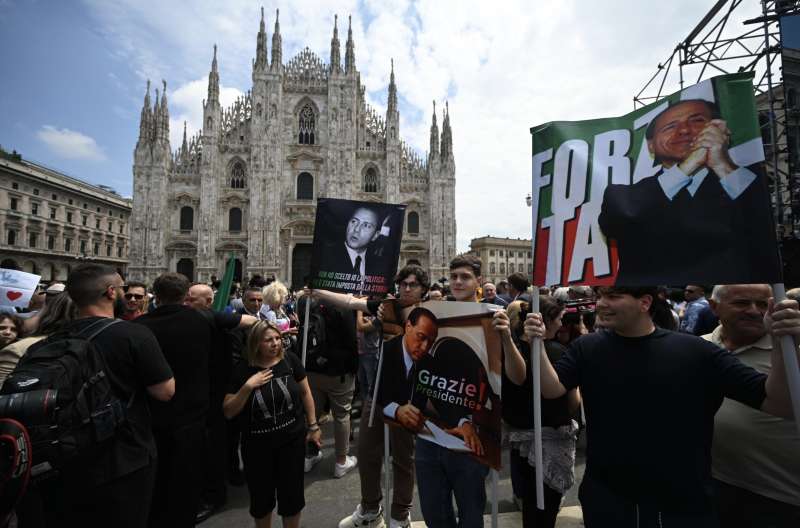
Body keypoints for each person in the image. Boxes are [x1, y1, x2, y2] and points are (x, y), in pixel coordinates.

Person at [525, 286, 800, 527]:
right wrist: (536, 344)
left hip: (681, 505)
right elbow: (552, 389)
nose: (601, 304)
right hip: (608, 500)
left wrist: (781, 343)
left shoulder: (697, 352)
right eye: (600, 296)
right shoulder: (586, 347)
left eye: (613, 296)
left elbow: (777, 402)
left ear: (645, 303)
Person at [598, 99, 781, 285]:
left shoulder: (743, 179)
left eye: (697, 120)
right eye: (670, 127)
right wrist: (687, 167)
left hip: (733, 299)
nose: (684, 130)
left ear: (721, 130)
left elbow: (762, 222)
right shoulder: (623, 196)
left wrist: (721, 164)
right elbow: (615, 224)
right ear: (650, 146)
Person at [48, 263, 175, 528]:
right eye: (122, 289)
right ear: (110, 293)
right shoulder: (134, 334)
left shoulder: (50, 338)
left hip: (65, 454)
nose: (126, 295)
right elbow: (164, 391)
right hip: (122, 454)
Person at [133, 273, 257, 528]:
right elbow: (248, 321)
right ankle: (203, 500)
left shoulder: (139, 326)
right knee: (195, 461)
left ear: (154, 294)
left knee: (164, 463)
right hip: (199, 404)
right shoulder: (207, 318)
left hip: (156, 407)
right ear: (186, 296)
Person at [328, 264, 429, 528]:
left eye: (413, 284)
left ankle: (400, 515)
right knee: (367, 452)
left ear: (423, 289)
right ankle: (371, 510)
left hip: (409, 397)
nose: (407, 288)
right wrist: (319, 292)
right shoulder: (388, 306)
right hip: (379, 392)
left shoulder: (431, 315)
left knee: (404, 459)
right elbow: (351, 302)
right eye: (403, 283)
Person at [703, 284, 800, 527]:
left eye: (762, 304)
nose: (755, 311)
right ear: (714, 307)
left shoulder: (792, 352)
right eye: (742, 303)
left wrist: (788, 344)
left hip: (781, 496)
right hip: (715, 484)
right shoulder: (700, 348)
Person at [223, 321, 321, 528]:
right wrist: (248, 386)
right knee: (261, 501)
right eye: (269, 340)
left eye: (278, 338)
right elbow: (229, 411)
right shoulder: (243, 369)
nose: (275, 343)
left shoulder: (290, 361)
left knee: (292, 499)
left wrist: (313, 426)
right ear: (256, 343)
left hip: (291, 444)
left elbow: (305, 393)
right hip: (258, 448)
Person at [504, 298, 580, 528]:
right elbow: (572, 402)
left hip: (520, 441)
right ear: (546, 320)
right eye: (558, 318)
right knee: (545, 510)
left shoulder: (511, 350)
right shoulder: (557, 352)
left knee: (531, 505)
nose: (561, 324)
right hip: (549, 440)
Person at [0, 293, 77, 387]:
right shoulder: (18, 350)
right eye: (2, 328)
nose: (7, 332)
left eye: (13, 329)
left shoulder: (88, 348)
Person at [327, 206, 388, 277]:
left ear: (375, 235)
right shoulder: (326, 256)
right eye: (354, 221)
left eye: (366, 225)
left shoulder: (380, 266)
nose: (356, 229)